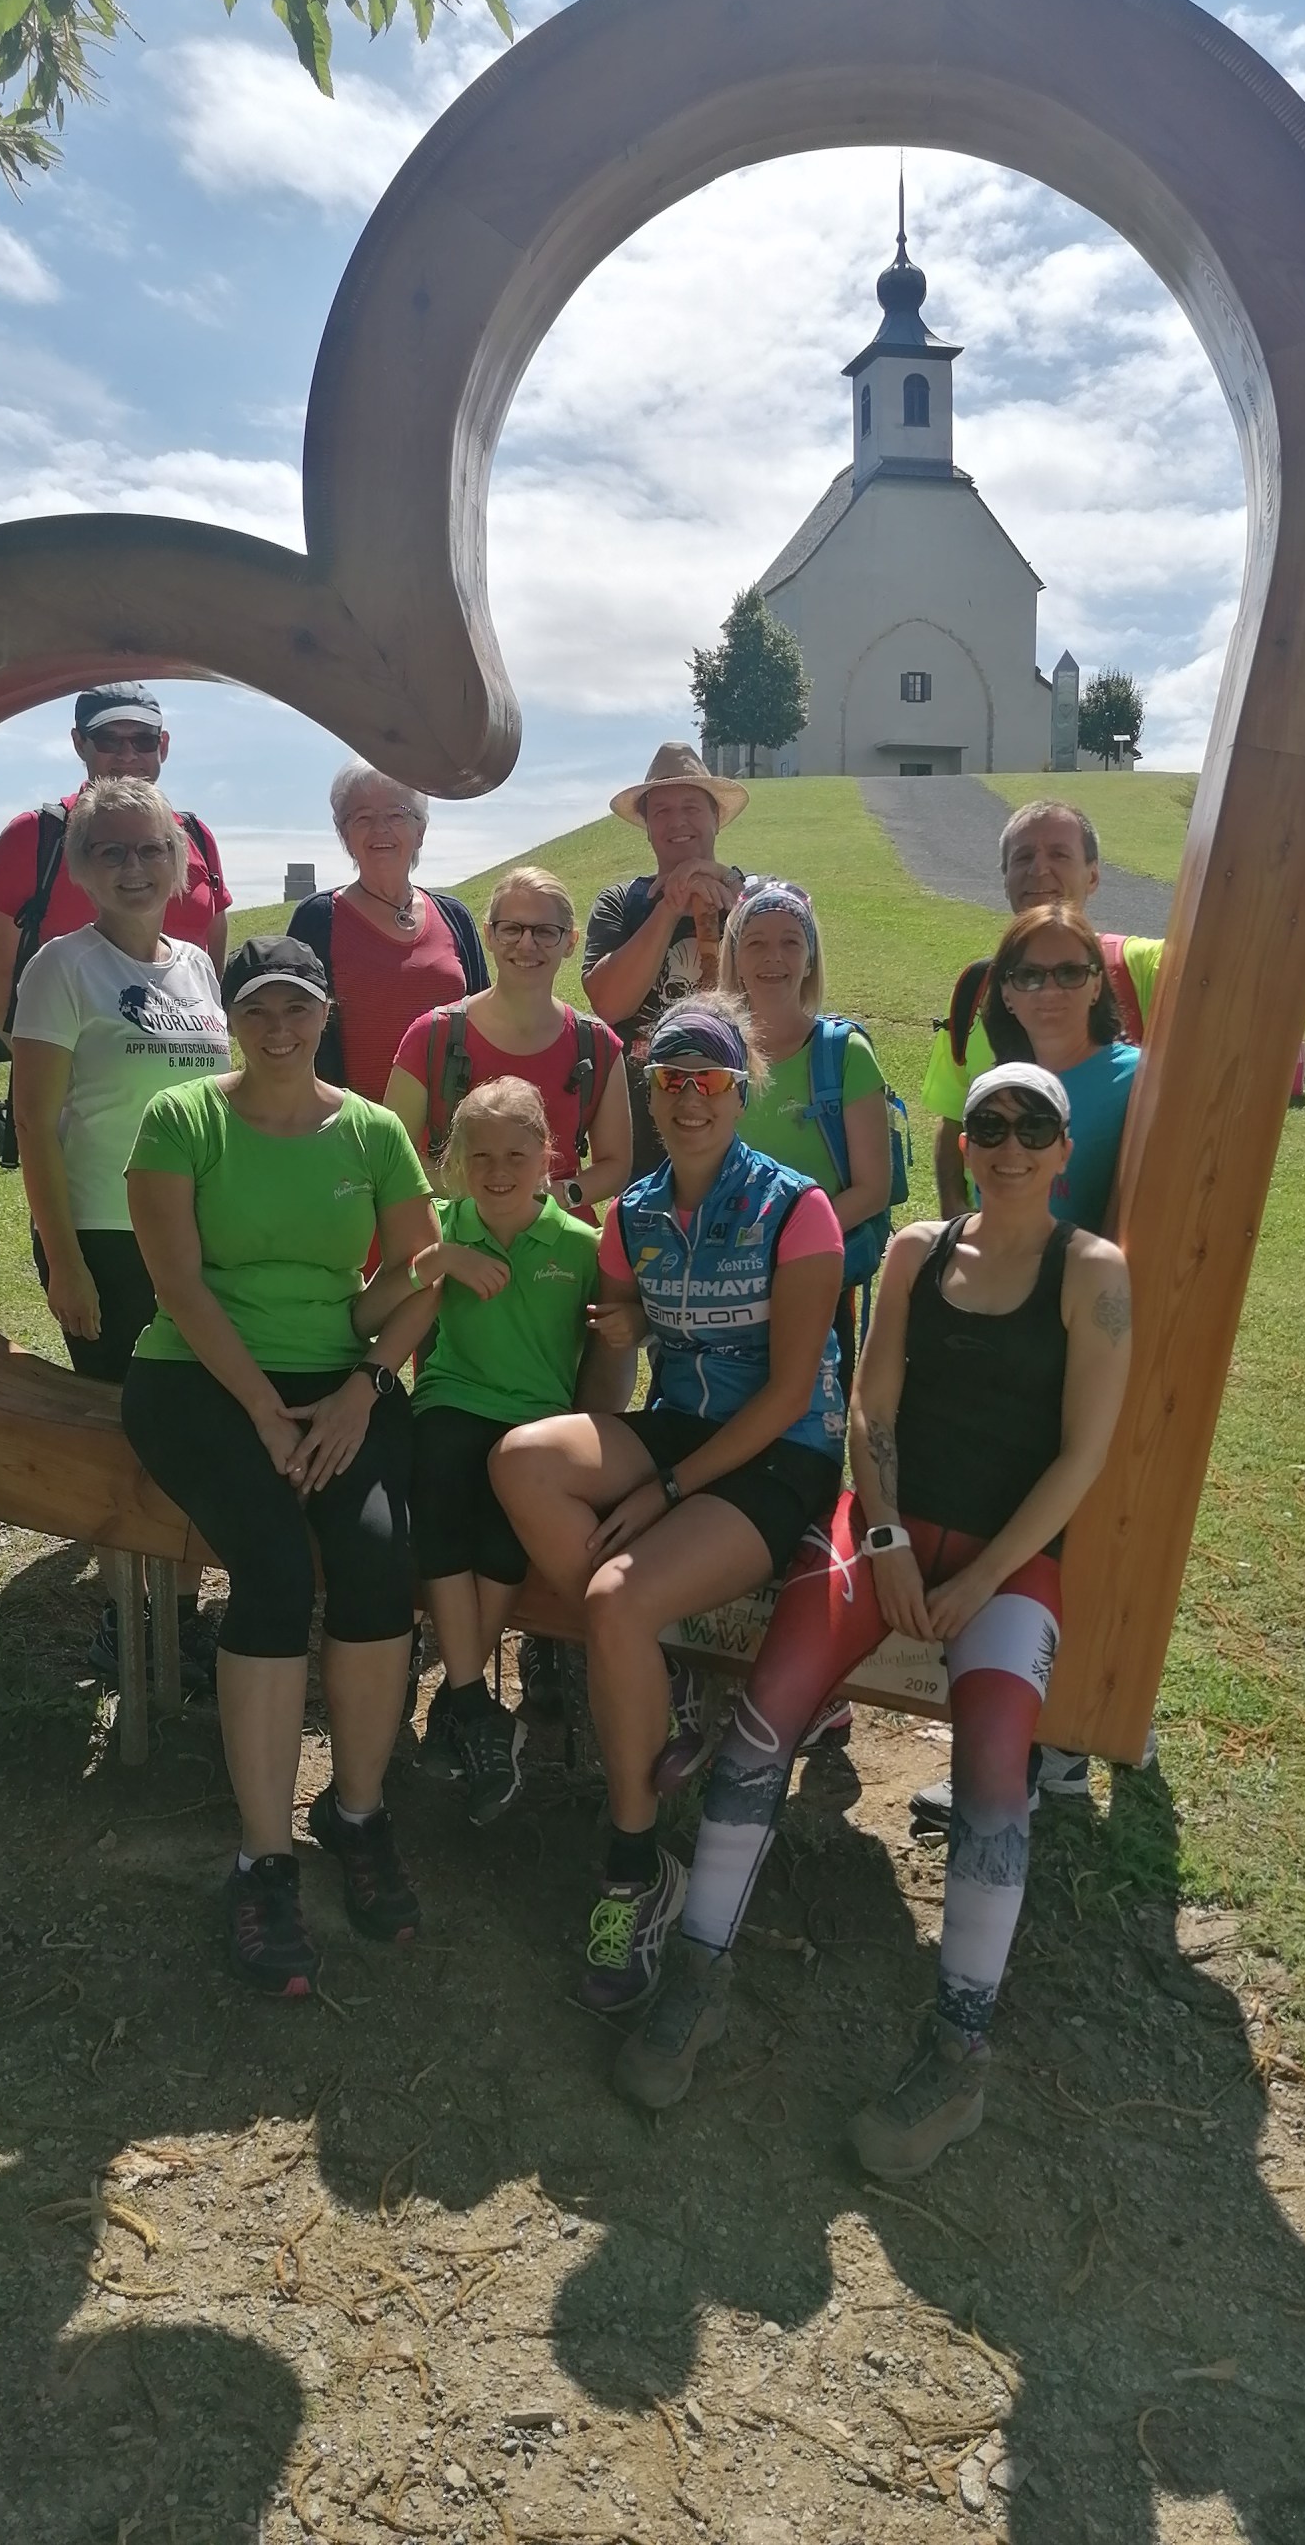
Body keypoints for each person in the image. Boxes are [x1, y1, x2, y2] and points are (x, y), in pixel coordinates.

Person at [614, 1061, 1133, 2180]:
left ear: (1061, 1149)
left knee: (994, 1765)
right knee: (768, 1709)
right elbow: (871, 1402)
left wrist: (983, 1579)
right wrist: (887, 1535)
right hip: (883, 1530)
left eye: (1030, 1127)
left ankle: (958, 2050)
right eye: (987, 1124)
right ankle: (697, 1973)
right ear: (964, 1140)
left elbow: (1082, 1454)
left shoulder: (1092, 1272)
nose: (1006, 1145)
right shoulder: (916, 1251)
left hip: (1006, 1559)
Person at [491, 998, 846, 2014]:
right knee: (521, 1461)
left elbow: (789, 1390)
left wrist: (661, 1490)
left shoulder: (796, 1207)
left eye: (711, 1081)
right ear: (649, 1095)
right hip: (677, 1426)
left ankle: (635, 1863)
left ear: (740, 1092)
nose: (691, 1099)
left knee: (616, 1597)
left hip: (779, 1451)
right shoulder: (634, 1214)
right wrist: (617, 1378)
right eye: (672, 1081)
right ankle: (659, 1675)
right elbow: (614, 1359)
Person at [119, 933, 441, 1997]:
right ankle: (262, 1861)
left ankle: (357, 1813)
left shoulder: (374, 1130)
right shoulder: (182, 1120)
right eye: (256, 1008)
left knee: (377, 1559)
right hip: (200, 1376)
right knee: (268, 1565)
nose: (278, 1027)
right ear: (228, 1017)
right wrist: (263, 1411)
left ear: (324, 1014)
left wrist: (364, 1385)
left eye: (297, 1006)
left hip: (340, 1382)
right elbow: (177, 1285)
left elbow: (424, 1272)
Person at [912, 900, 1142, 1825]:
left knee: (1072, 1532)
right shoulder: (999, 1080)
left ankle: (1060, 1745)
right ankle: (1007, 1735)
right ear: (1003, 990)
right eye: (1028, 974)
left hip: (1080, 1334)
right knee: (1002, 1523)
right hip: (992, 1334)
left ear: (1098, 983)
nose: (1049, 989)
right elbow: (957, 1160)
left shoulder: (1134, 1078)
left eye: (1069, 971)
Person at [9, 780, 230, 1673]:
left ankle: (180, 1610)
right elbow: (33, 1123)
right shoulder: (61, 968)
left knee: (197, 1422)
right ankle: (121, 1614)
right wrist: (64, 1261)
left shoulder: (198, 967)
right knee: (120, 1427)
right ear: (82, 867)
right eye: (112, 851)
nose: (133, 867)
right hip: (103, 1234)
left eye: (150, 849)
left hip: (197, 1237)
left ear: (179, 862)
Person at [353, 1077, 601, 1825]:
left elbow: (614, 1340)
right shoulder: (440, 1226)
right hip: (451, 1404)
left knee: (502, 1534)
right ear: (455, 1159)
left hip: (537, 1428)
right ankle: (471, 1706)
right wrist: (437, 1262)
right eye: (480, 1156)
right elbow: (366, 1314)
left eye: (516, 1156)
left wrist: (631, 1329)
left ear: (548, 1155)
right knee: (437, 1488)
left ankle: (465, 1708)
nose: (497, 1171)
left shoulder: (582, 1246)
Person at [921, 798, 1159, 1222]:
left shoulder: (1138, 964)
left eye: (1059, 854)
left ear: (1094, 874)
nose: (1038, 869)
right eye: (1023, 857)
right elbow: (953, 1119)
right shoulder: (976, 989)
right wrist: (955, 1222)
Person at [0, 684, 230, 1037]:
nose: (127, 755)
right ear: (79, 743)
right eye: (109, 739)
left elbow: (212, 954)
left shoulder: (195, 835)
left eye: (143, 740)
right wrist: (39, 1059)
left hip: (186, 1063)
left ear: (163, 745)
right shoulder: (33, 836)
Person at [382, 866, 631, 1217]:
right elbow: (391, 1154)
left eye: (545, 931)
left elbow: (616, 1164)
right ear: (488, 934)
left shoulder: (598, 1045)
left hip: (561, 1243)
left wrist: (556, 1196)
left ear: (571, 942)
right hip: (457, 1240)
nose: (526, 944)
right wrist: (480, 1193)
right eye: (511, 929)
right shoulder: (431, 1036)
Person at [720, 874, 895, 1365]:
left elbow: (872, 1189)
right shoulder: (713, 1053)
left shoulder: (845, 1053)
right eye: (756, 943)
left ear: (810, 957)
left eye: (790, 942)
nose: (773, 957)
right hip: (722, 1275)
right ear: (735, 957)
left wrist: (785, 1246)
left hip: (818, 1276)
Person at [581, 744, 750, 1174]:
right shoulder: (620, 903)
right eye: (661, 811)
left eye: (691, 807)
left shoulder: (755, 901)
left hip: (744, 1126)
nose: (677, 822)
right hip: (642, 1136)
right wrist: (671, 906)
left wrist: (733, 893)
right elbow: (609, 1003)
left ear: (716, 818)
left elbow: (782, 996)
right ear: (647, 827)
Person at [288, 763, 488, 1098]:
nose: (380, 828)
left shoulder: (455, 918)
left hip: (451, 1126)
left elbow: (487, 1021)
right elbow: (289, 1025)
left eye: (397, 815)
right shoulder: (317, 919)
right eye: (363, 817)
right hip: (352, 1125)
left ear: (420, 830)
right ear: (345, 835)